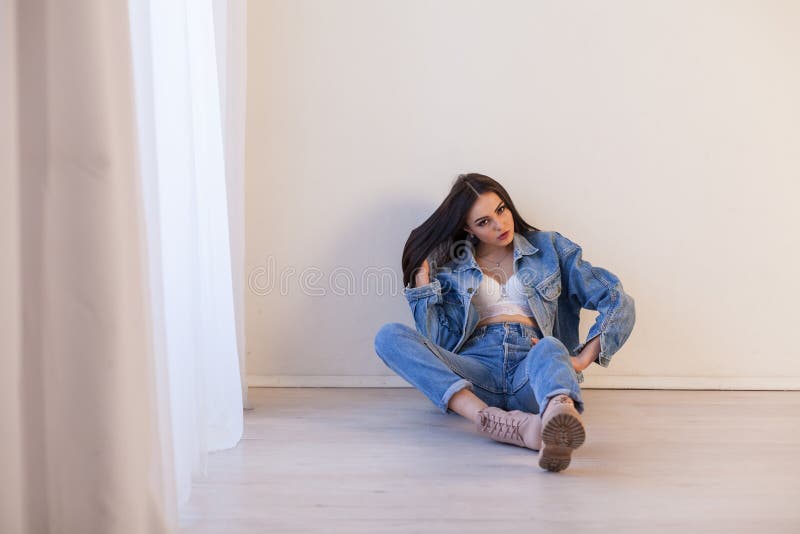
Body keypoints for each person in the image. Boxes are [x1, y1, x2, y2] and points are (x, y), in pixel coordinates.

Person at [374, 173, 636, 472]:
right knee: (388, 336)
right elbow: (440, 345)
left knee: (551, 346)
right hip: (477, 373)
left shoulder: (549, 248)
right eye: (483, 222)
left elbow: (617, 300)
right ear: (467, 228)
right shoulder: (453, 269)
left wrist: (580, 360)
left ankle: (556, 417)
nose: (500, 225)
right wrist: (423, 284)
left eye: (501, 210)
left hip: (532, 367)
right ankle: (490, 420)